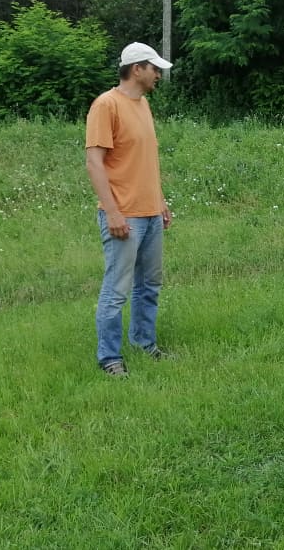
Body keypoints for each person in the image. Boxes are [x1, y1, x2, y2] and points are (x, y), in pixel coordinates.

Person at [84, 42, 175, 377]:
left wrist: (159, 200)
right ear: (137, 69)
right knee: (117, 289)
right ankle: (110, 357)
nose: (158, 75)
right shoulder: (106, 105)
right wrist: (112, 212)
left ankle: (144, 343)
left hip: (150, 213)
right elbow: (94, 163)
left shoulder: (143, 104)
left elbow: (144, 160)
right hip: (124, 215)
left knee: (149, 285)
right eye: (154, 69)